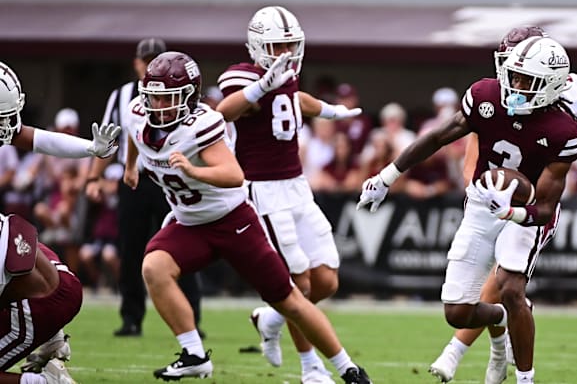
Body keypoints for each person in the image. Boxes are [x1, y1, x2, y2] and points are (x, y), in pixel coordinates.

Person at [125, 50, 371, 383]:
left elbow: (233, 174)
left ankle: (348, 369)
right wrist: (130, 166)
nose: (158, 106)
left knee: (291, 301)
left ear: (188, 97)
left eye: (166, 99)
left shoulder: (201, 124)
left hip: (232, 220)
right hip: (189, 222)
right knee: (153, 267)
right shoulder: (140, 114)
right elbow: (135, 132)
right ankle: (194, 354)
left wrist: (195, 171)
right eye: (153, 98)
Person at [358, 36, 577, 384]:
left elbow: (547, 207)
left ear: (551, 85)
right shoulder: (485, 96)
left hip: (526, 211)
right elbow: (437, 138)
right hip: (481, 202)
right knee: (457, 312)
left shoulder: (564, 130)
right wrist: (386, 178)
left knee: (510, 287)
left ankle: (525, 378)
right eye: (514, 75)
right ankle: (505, 318)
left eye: (527, 81)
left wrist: (512, 212)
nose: (516, 86)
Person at [428, 26, 577, 384]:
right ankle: (481, 352)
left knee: (506, 283)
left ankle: (459, 352)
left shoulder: (569, 97)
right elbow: (481, 137)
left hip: (536, 199)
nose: (513, 79)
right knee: (496, 287)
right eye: (509, 66)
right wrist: (479, 183)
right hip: (495, 190)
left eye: (520, 68)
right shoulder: (496, 96)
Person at [216, 6, 363, 384]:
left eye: (290, 44)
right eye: (277, 45)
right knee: (299, 285)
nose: (285, 52)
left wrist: (332, 112)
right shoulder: (244, 76)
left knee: (327, 280)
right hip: (263, 191)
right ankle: (311, 368)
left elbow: (296, 100)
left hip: (297, 186)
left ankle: (271, 317)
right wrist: (263, 85)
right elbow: (225, 110)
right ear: (257, 45)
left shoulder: (286, 76)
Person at [0, 61, 121, 383]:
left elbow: (36, 138)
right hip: (55, 278)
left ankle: (45, 381)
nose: (8, 127)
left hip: (39, 300)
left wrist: (91, 150)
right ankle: (52, 337)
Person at [85, 38, 204, 337]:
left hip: (171, 177)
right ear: (137, 63)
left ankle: (191, 318)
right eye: (146, 59)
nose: (150, 63)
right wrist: (94, 178)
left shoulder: (183, 93)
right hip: (135, 178)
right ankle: (131, 317)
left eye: (156, 58)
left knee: (184, 247)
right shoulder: (124, 96)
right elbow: (112, 138)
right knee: (131, 248)